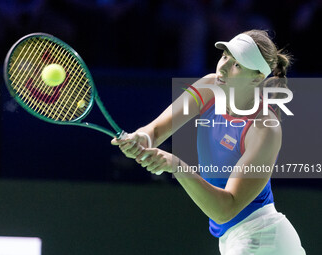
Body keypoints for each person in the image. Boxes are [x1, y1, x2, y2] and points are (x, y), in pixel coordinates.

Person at [111, 29, 306, 255]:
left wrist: (176, 165)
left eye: (237, 64)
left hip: (262, 240)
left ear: (257, 77)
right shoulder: (209, 87)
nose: (222, 67)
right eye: (224, 56)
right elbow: (155, 130)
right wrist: (141, 138)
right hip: (234, 239)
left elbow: (226, 208)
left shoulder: (264, 128)